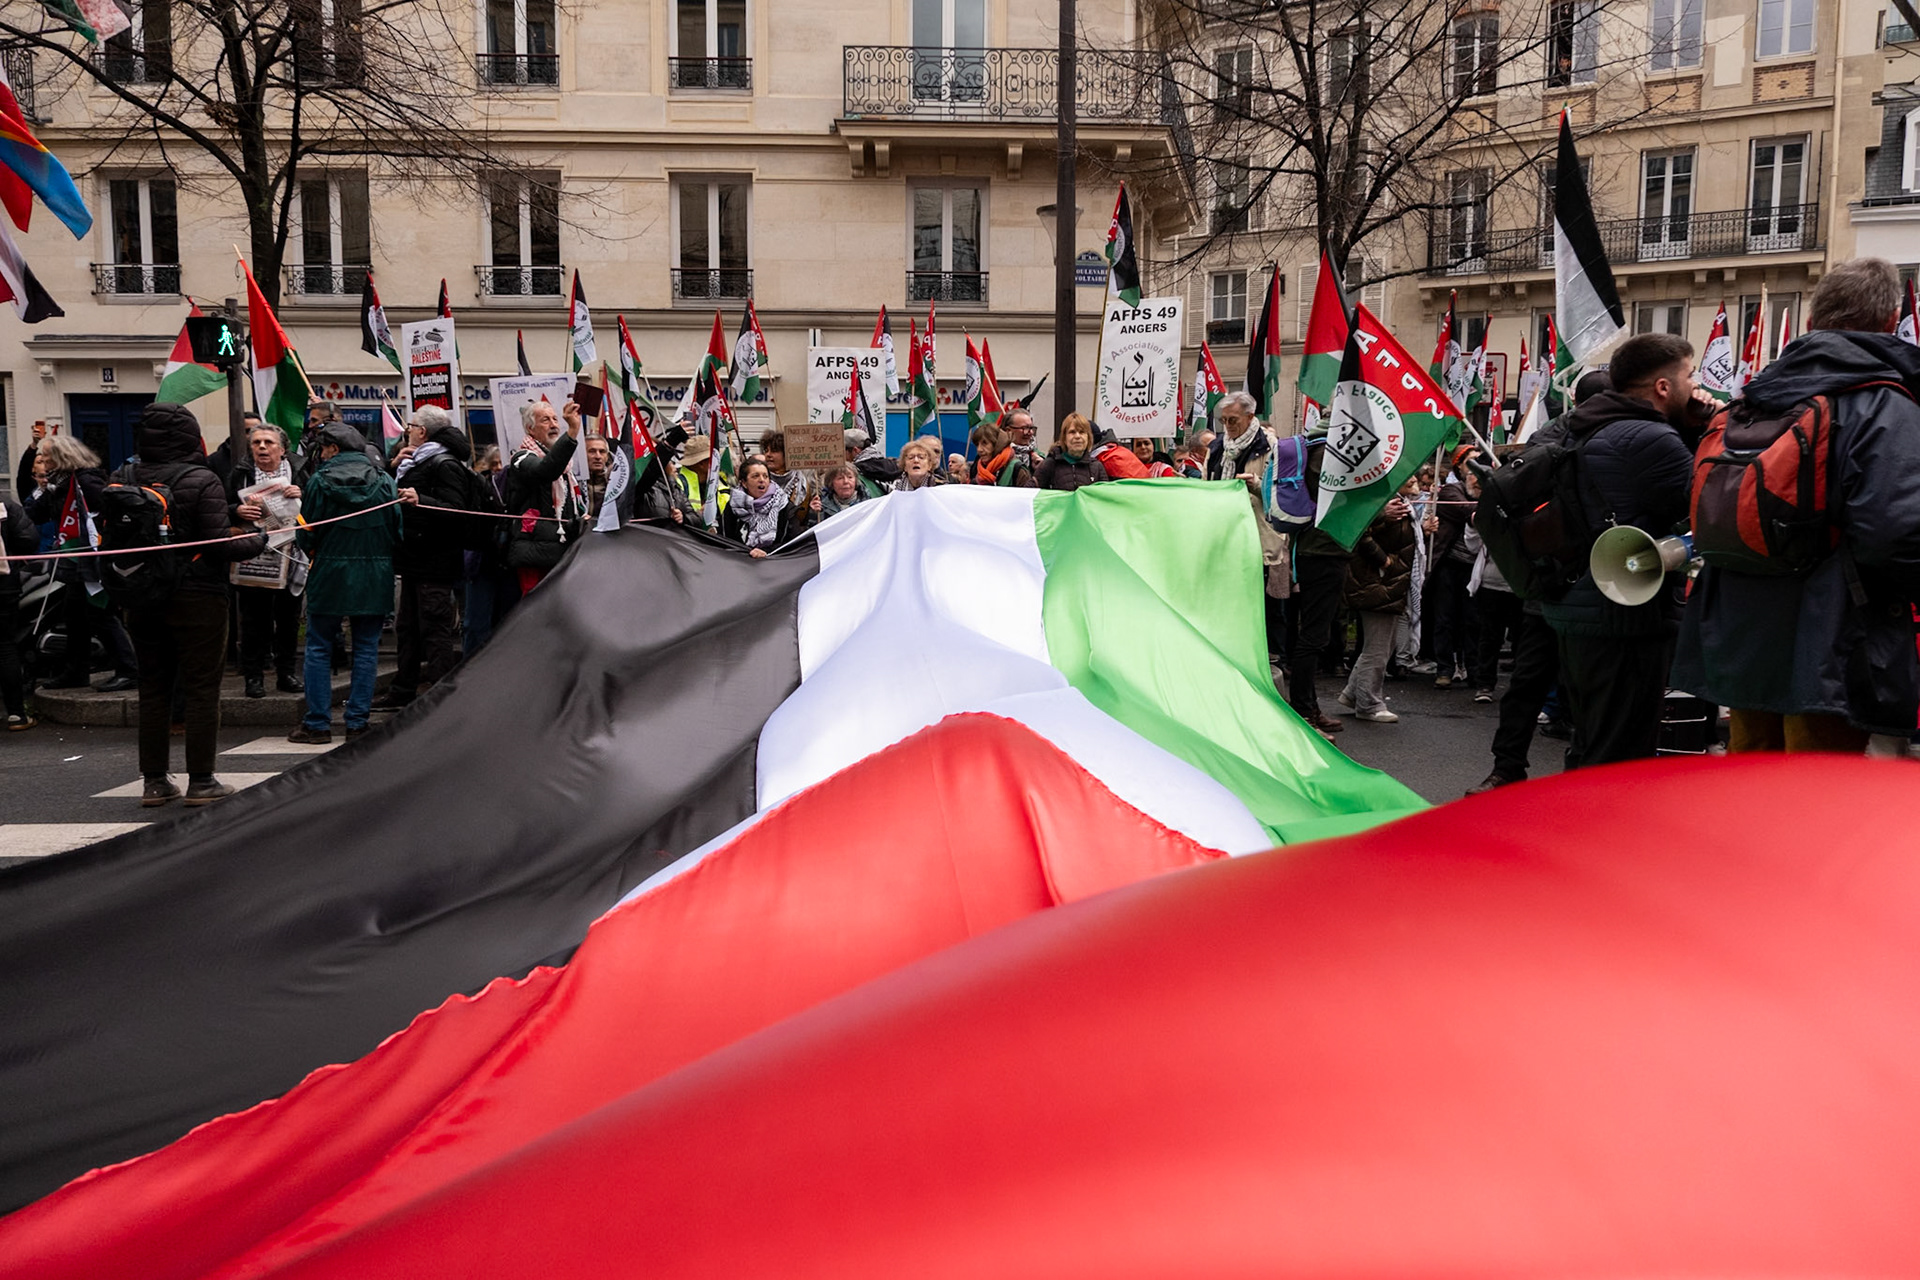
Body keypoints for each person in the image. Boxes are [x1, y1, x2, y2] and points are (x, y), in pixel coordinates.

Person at [1673, 258, 1920, 754]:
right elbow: (1895, 532)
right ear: (1891, 321)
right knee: (1816, 802)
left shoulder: (1751, 398)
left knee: (1752, 777)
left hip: (1739, 628)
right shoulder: (1882, 403)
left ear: (1811, 323)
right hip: (1830, 633)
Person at [1540, 332, 1702, 767]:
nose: (1696, 385)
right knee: (1622, 750)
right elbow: (1708, 508)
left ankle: (1576, 826)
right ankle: (1599, 832)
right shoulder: (1654, 439)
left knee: (1590, 739)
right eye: (1691, 374)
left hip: (1575, 607)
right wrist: (1709, 428)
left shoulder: (1577, 423)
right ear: (1663, 387)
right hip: (1627, 615)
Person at [126, 402, 266, 805]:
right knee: (202, 687)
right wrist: (259, 539)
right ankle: (201, 781)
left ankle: (154, 781)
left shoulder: (126, 474)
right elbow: (219, 544)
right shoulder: (201, 478)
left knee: (152, 688)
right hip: (197, 596)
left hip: (141, 594)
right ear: (188, 436)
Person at [290, 422, 402, 745]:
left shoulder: (319, 481)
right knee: (367, 649)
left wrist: (318, 553)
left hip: (330, 572)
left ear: (333, 449)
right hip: (374, 574)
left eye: (322, 448)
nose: (321, 454)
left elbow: (305, 532)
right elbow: (396, 531)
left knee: (318, 648)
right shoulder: (384, 481)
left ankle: (317, 724)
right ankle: (357, 723)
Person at [25, 434, 139, 692]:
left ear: (62, 458)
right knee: (75, 617)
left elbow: (106, 517)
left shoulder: (87, 481)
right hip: (74, 559)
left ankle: (129, 670)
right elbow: (33, 513)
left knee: (100, 615)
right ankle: (76, 671)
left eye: (46, 455)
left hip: (92, 559)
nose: (42, 460)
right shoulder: (60, 483)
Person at [379, 405, 474, 712]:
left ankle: (441, 696)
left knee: (435, 629)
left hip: (435, 560)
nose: (407, 430)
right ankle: (403, 689)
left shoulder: (444, 463)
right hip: (413, 559)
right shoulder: (416, 461)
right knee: (407, 627)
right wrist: (394, 466)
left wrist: (423, 501)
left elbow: (457, 509)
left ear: (422, 431)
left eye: (411, 425)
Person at [226, 422, 304, 699]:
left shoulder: (301, 470)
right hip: (254, 554)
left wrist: (302, 494)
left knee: (288, 620)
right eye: (257, 442)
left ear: (282, 450)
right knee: (254, 621)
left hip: (291, 553)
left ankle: (286, 673)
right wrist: (236, 510)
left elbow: (319, 507)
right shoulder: (240, 474)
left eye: (268, 443)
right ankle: (254, 677)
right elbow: (222, 507)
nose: (261, 447)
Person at [1335, 496, 1417, 723]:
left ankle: (1353, 693)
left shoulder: (1393, 501)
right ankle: (1369, 703)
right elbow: (1357, 529)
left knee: (1384, 643)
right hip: (1376, 581)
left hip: (1388, 581)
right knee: (1378, 646)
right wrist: (1385, 562)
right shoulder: (1377, 500)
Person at [1288, 439, 1351, 736]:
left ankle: (1309, 706)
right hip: (1323, 551)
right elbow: (1338, 496)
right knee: (1313, 635)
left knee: (1315, 633)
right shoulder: (1328, 452)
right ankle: (1302, 711)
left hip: (1318, 550)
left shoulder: (1317, 448)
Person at [503, 398, 585, 595]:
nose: (554, 425)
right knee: (534, 611)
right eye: (545, 420)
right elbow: (546, 471)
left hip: (559, 553)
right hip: (534, 554)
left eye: (556, 419)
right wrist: (572, 433)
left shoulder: (566, 467)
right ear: (530, 429)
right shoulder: (521, 458)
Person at [1424, 448, 1476, 689]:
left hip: (1473, 567)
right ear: (1459, 468)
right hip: (1448, 565)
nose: (1476, 470)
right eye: (1471, 464)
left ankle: (1471, 669)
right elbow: (1467, 512)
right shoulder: (1450, 491)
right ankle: (1444, 668)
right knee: (1445, 617)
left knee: (1471, 619)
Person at [1, 495, 37, 729]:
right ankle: (16, 714)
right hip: (3, 586)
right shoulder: (4, 504)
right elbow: (28, 540)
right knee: (4, 646)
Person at [720, 456, 794, 557]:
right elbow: (727, 538)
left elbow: (790, 541)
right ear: (744, 483)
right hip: (741, 562)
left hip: (774, 563)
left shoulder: (783, 504)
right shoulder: (734, 505)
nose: (762, 480)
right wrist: (747, 552)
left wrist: (766, 552)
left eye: (765, 476)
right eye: (755, 476)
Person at [1207, 393, 1272, 484]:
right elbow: (1205, 481)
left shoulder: (1270, 445)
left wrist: (1255, 484)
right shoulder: (1216, 444)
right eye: (1223, 420)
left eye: (1233, 420)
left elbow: (1276, 491)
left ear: (1250, 417)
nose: (1227, 425)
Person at [1036, 414, 1109, 491]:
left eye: (1082, 432)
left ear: (1088, 438)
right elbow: (1029, 493)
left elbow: (1105, 497)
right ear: (1064, 438)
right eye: (1072, 432)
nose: (1077, 436)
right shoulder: (1049, 465)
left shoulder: (1097, 467)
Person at [972, 422, 1034, 487]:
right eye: (977, 444)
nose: (979, 449)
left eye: (984, 443)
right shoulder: (977, 468)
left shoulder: (1017, 470)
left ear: (997, 444)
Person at [1004, 408, 1042, 482]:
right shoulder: (996, 456)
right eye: (1024, 428)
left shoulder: (1039, 457)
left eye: (1031, 428)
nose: (1030, 432)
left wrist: (1042, 470)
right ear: (1008, 430)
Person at [581, 434, 612, 522]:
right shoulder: (572, 482)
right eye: (592, 451)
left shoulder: (615, 482)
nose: (598, 456)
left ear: (607, 456)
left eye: (602, 452)